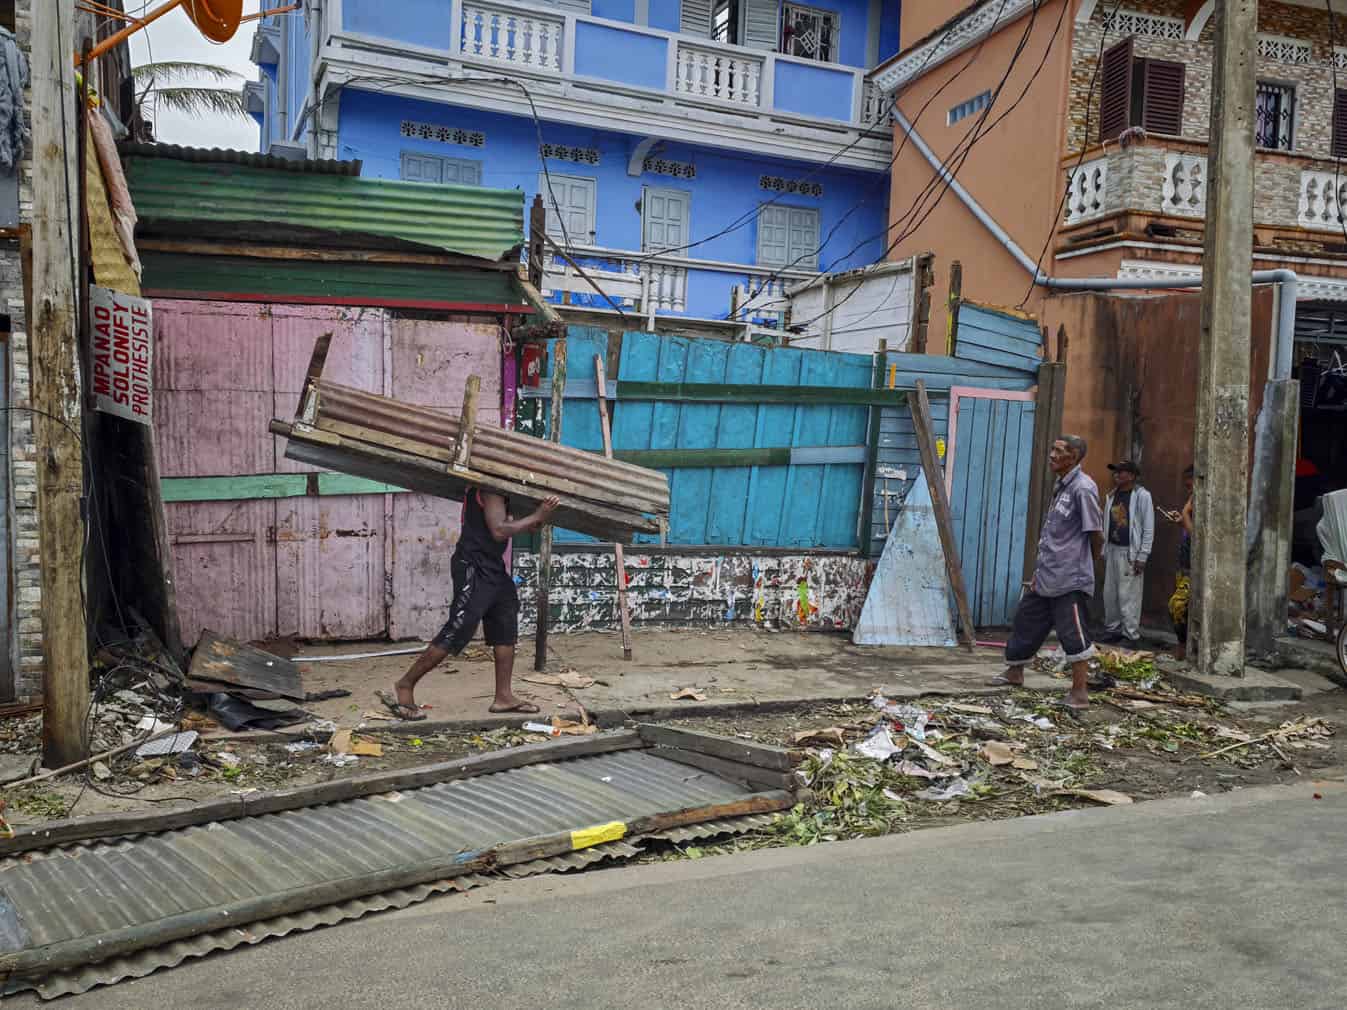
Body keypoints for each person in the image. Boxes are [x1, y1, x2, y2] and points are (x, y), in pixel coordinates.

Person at [380, 488, 561, 721]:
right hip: (474, 566)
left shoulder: (505, 493)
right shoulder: (490, 489)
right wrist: (538, 515)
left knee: (505, 625)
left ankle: (503, 697)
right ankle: (405, 684)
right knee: (459, 628)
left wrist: (535, 520)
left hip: (493, 566)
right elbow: (498, 531)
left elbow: (510, 528)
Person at [990, 434, 1104, 713]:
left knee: (1073, 633)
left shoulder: (1083, 488)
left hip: (1069, 577)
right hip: (1047, 573)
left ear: (1074, 456)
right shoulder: (1061, 485)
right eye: (1052, 449)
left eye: (1058, 451)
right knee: (1027, 619)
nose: (1051, 455)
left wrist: (1087, 567)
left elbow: (1096, 534)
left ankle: (1079, 693)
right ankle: (1014, 672)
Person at [1098, 460, 1154, 647]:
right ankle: (1113, 629)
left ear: (1131, 475)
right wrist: (1104, 548)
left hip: (1130, 553)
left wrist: (1142, 556)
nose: (1116, 475)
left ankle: (1130, 634)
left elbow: (1148, 528)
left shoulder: (1142, 496)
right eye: (1115, 472)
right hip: (1113, 549)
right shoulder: (1112, 496)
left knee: (1128, 595)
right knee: (1110, 593)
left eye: (1120, 472)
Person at [1167, 465, 1195, 661]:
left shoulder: (1197, 500)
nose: (1188, 490)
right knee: (1180, 607)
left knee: (1177, 605)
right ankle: (1183, 646)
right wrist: (1182, 520)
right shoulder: (1194, 499)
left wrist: (1185, 514)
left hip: (1194, 565)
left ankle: (1183, 646)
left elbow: (1197, 537)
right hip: (1185, 562)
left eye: (1189, 485)